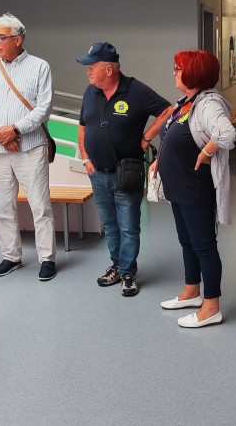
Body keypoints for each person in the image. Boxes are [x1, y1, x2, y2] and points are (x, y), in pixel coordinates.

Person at [76, 42, 171, 297]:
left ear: (109, 69)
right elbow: (83, 127)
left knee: (128, 226)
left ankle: (128, 272)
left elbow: (168, 111)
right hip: (98, 173)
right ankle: (117, 266)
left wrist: (147, 136)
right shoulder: (90, 92)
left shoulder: (135, 90)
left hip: (126, 172)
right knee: (109, 225)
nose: (87, 70)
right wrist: (86, 159)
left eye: (91, 66)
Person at [154, 50, 236, 328]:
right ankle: (191, 292)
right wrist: (159, 159)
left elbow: (227, 133)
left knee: (204, 246)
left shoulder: (209, 104)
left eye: (178, 68)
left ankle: (211, 307)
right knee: (186, 241)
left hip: (195, 189)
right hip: (178, 188)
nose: (174, 72)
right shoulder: (188, 102)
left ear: (194, 73)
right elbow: (174, 136)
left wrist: (205, 153)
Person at [0, 13, 57, 281]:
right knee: (3, 206)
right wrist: (1, 132)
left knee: (40, 206)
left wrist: (15, 129)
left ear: (18, 39)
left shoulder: (40, 66)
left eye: (1, 37)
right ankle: (11, 257)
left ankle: (47, 258)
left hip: (31, 148)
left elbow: (44, 107)